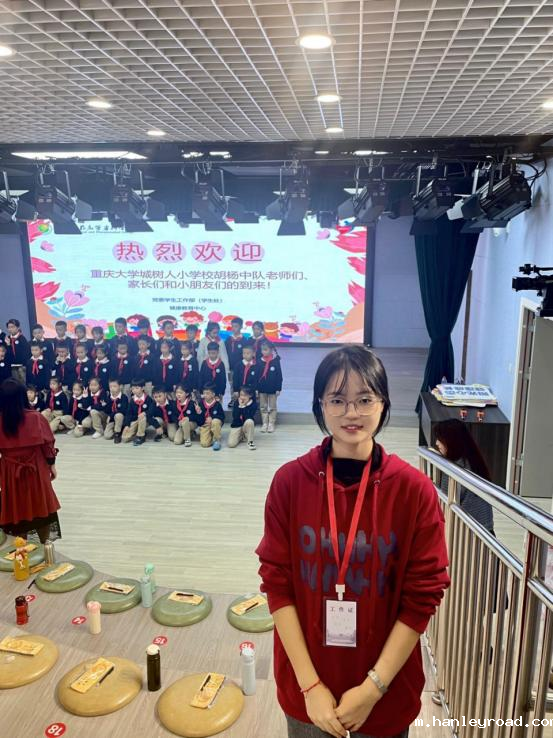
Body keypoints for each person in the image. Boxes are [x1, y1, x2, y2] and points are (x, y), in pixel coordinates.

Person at [256, 345, 450, 738]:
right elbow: (278, 585)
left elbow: (422, 596)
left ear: (383, 403)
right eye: (337, 400)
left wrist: (372, 689)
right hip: (308, 691)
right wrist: (310, 686)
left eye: (364, 399)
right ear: (320, 405)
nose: (351, 413)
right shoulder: (289, 483)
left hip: (385, 693)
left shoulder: (414, 491)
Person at [0, 378, 61, 543]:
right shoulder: (36, 417)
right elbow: (48, 444)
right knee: (41, 506)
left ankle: (21, 549)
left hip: (10, 471)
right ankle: (45, 545)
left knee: (16, 508)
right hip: (36, 468)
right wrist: (51, 465)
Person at [434, 419, 495, 533]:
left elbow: (444, 504)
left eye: (440, 439)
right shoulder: (472, 461)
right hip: (485, 530)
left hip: (468, 533)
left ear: (451, 441)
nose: (437, 443)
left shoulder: (455, 469)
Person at [256, 340, 283, 434]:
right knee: (263, 407)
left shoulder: (275, 361)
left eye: (266, 350)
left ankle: (271, 423)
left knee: (272, 407)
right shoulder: (259, 361)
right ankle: (265, 423)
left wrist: (278, 388)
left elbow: (279, 376)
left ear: (271, 350)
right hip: (262, 389)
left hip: (272, 389)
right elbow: (257, 376)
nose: (263, 352)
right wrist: (256, 389)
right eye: (262, 350)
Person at [122, 379, 156, 446]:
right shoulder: (132, 401)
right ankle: (140, 432)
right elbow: (128, 414)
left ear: (142, 388)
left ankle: (140, 436)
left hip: (146, 421)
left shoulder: (148, 399)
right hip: (135, 421)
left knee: (142, 416)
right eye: (133, 388)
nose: (134, 390)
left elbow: (151, 411)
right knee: (124, 439)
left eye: (137, 388)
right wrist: (127, 425)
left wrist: (145, 413)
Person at [228, 386, 257, 451]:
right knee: (231, 444)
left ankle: (250, 441)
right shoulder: (236, 402)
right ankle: (242, 436)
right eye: (241, 395)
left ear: (250, 395)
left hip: (246, 424)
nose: (242, 397)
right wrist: (240, 406)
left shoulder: (253, 404)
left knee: (250, 421)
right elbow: (235, 417)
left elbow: (248, 416)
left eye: (245, 395)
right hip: (237, 425)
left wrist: (244, 406)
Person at [225, 317, 245, 406]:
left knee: (241, 383)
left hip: (241, 367)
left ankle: (242, 399)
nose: (234, 328)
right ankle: (233, 400)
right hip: (230, 367)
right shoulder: (228, 339)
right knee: (232, 384)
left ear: (241, 327)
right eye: (232, 326)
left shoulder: (244, 340)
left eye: (236, 326)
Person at [198, 383, 225, 451]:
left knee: (215, 421)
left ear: (213, 394)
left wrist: (212, 418)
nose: (205, 395)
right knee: (204, 444)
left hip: (215, 423)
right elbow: (199, 420)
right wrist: (199, 413)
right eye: (204, 393)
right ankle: (210, 434)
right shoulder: (201, 404)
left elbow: (222, 416)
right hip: (205, 424)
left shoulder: (217, 404)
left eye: (207, 393)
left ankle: (216, 440)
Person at [105, 379, 129, 444]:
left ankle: (117, 433)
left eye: (114, 386)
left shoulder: (124, 397)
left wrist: (111, 416)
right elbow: (107, 410)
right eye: (110, 387)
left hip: (121, 418)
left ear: (120, 387)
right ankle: (117, 428)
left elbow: (122, 410)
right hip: (112, 420)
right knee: (107, 436)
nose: (112, 388)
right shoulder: (108, 397)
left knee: (119, 415)